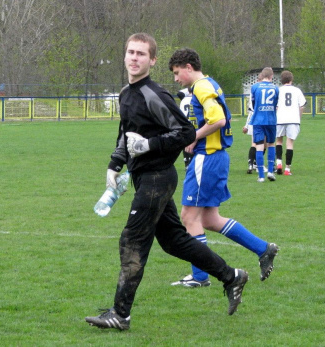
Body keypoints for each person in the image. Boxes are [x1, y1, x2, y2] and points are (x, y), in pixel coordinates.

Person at [84, 33, 249, 331]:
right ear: (125, 56)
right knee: (174, 241)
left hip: (158, 178)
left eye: (141, 54)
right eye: (130, 52)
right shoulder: (125, 93)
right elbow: (127, 134)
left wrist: (149, 146)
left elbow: (185, 133)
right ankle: (232, 276)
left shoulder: (155, 95)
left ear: (152, 60)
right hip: (143, 177)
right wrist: (115, 164)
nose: (134, 58)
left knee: (132, 240)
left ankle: (120, 315)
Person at [168, 48, 278, 289]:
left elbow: (217, 119)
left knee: (188, 216)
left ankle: (199, 275)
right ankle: (263, 249)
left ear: (188, 67)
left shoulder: (200, 86)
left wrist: (193, 137)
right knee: (209, 218)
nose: (176, 79)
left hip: (206, 157)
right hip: (216, 158)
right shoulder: (209, 83)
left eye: (177, 73)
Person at [249, 67, 279, 182]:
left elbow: (253, 103)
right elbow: (275, 104)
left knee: (259, 146)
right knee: (271, 144)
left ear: (261, 76)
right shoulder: (276, 88)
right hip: (271, 119)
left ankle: (261, 176)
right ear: (272, 76)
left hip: (258, 120)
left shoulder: (255, 87)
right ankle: (270, 171)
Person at [275, 70, 306, 176]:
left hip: (280, 119)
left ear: (281, 80)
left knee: (279, 141)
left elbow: (276, 106)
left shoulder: (278, 90)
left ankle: (278, 163)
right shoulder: (297, 90)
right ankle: (287, 169)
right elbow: (302, 106)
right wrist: (299, 117)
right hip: (293, 119)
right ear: (291, 79)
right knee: (290, 144)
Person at [243, 73, 266, 175]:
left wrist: (246, 125)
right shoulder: (264, 90)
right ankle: (257, 164)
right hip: (262, 119)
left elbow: (250, 110)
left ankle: (250, 164)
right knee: (263, 143)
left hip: (252, 118)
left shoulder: (253, 90)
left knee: (254, 143)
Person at [177, 87, 194, 169]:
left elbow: (179, 92)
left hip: (184, 123)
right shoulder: (196, 99)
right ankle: (192, 161)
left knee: (186, 143)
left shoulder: (183, 99)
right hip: (193, 122)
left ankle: (186, 161)